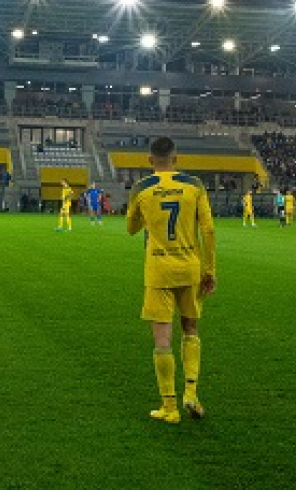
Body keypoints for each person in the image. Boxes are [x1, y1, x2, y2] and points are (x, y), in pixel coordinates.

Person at [126, 137, 216, 425]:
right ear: (175, 159)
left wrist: (147, 217)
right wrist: (210, 270)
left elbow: (131, 227)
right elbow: (209, 230)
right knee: (190, 327)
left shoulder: (142, 189)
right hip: (189, 267)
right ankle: (191, 391)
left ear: (150, 160)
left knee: (162, 338)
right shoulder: (195, 185)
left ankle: (170, 407)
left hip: (159, 269)